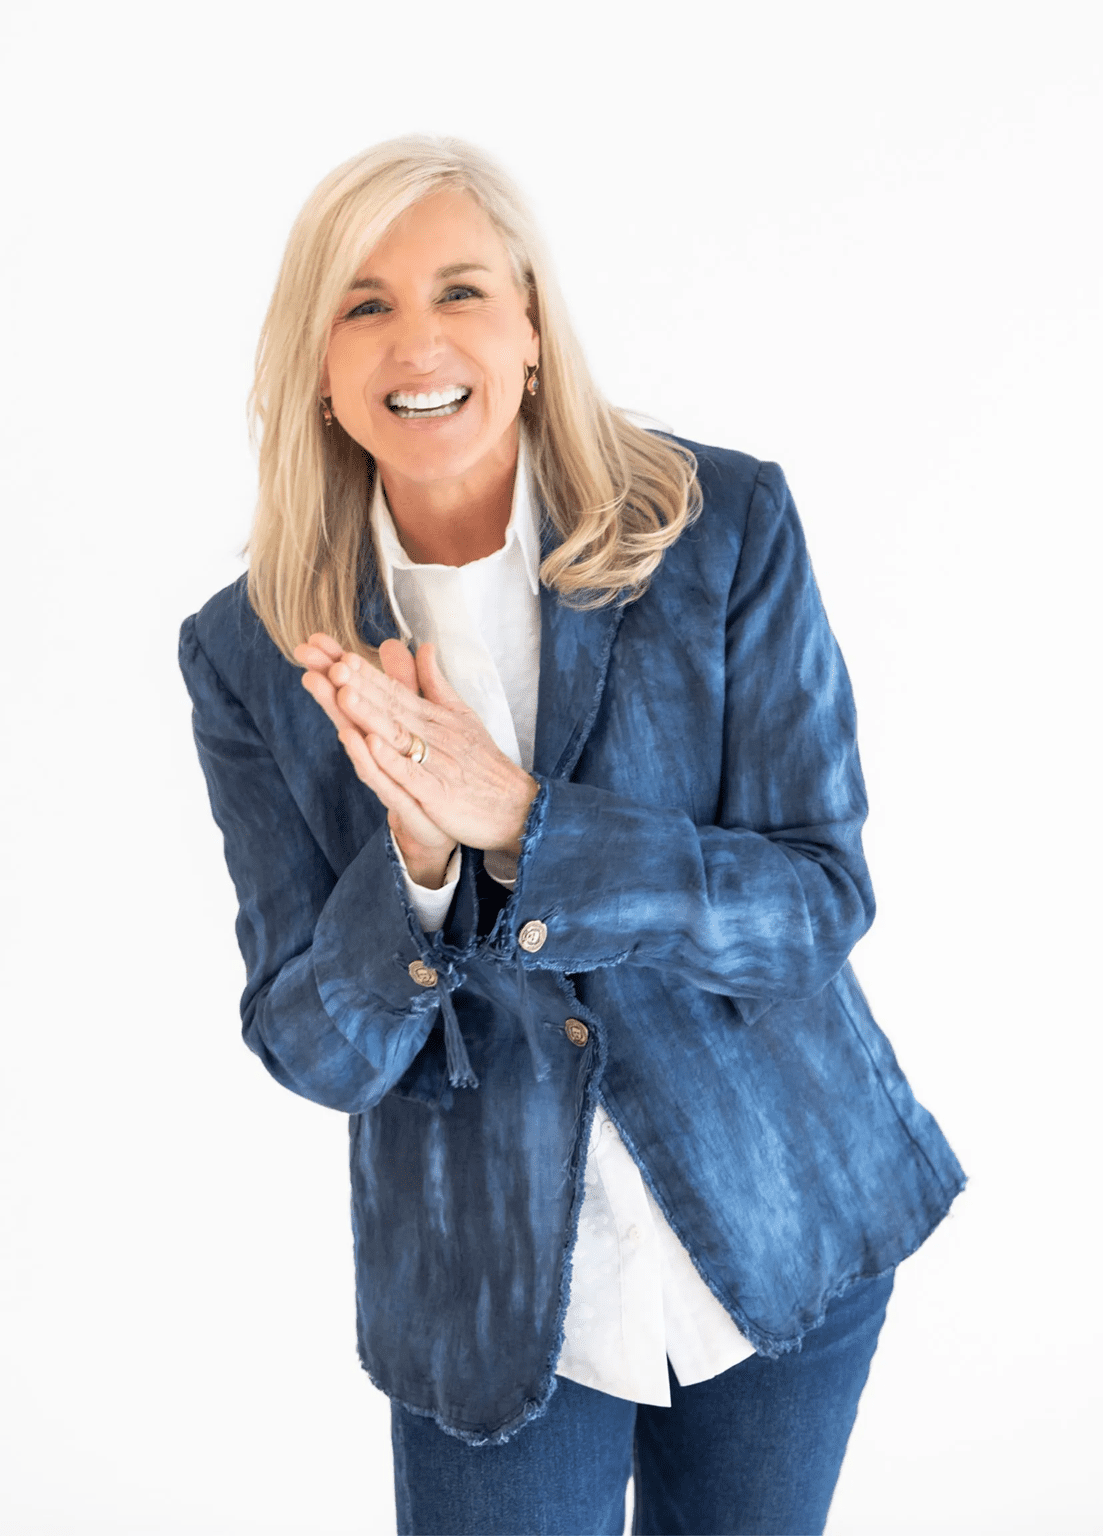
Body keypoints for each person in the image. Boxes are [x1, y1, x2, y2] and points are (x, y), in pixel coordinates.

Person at [179, 135, 965, 1536]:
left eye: (461, 289)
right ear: (317, 363)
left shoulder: (720, 529)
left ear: (532, 329)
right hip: (483, 1304)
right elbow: (311, 1048)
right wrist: (418, 877)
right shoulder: (250, 654)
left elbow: (815, 899)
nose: (418, 338)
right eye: (362, 303)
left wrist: (525, 825)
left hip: (786, 1218)